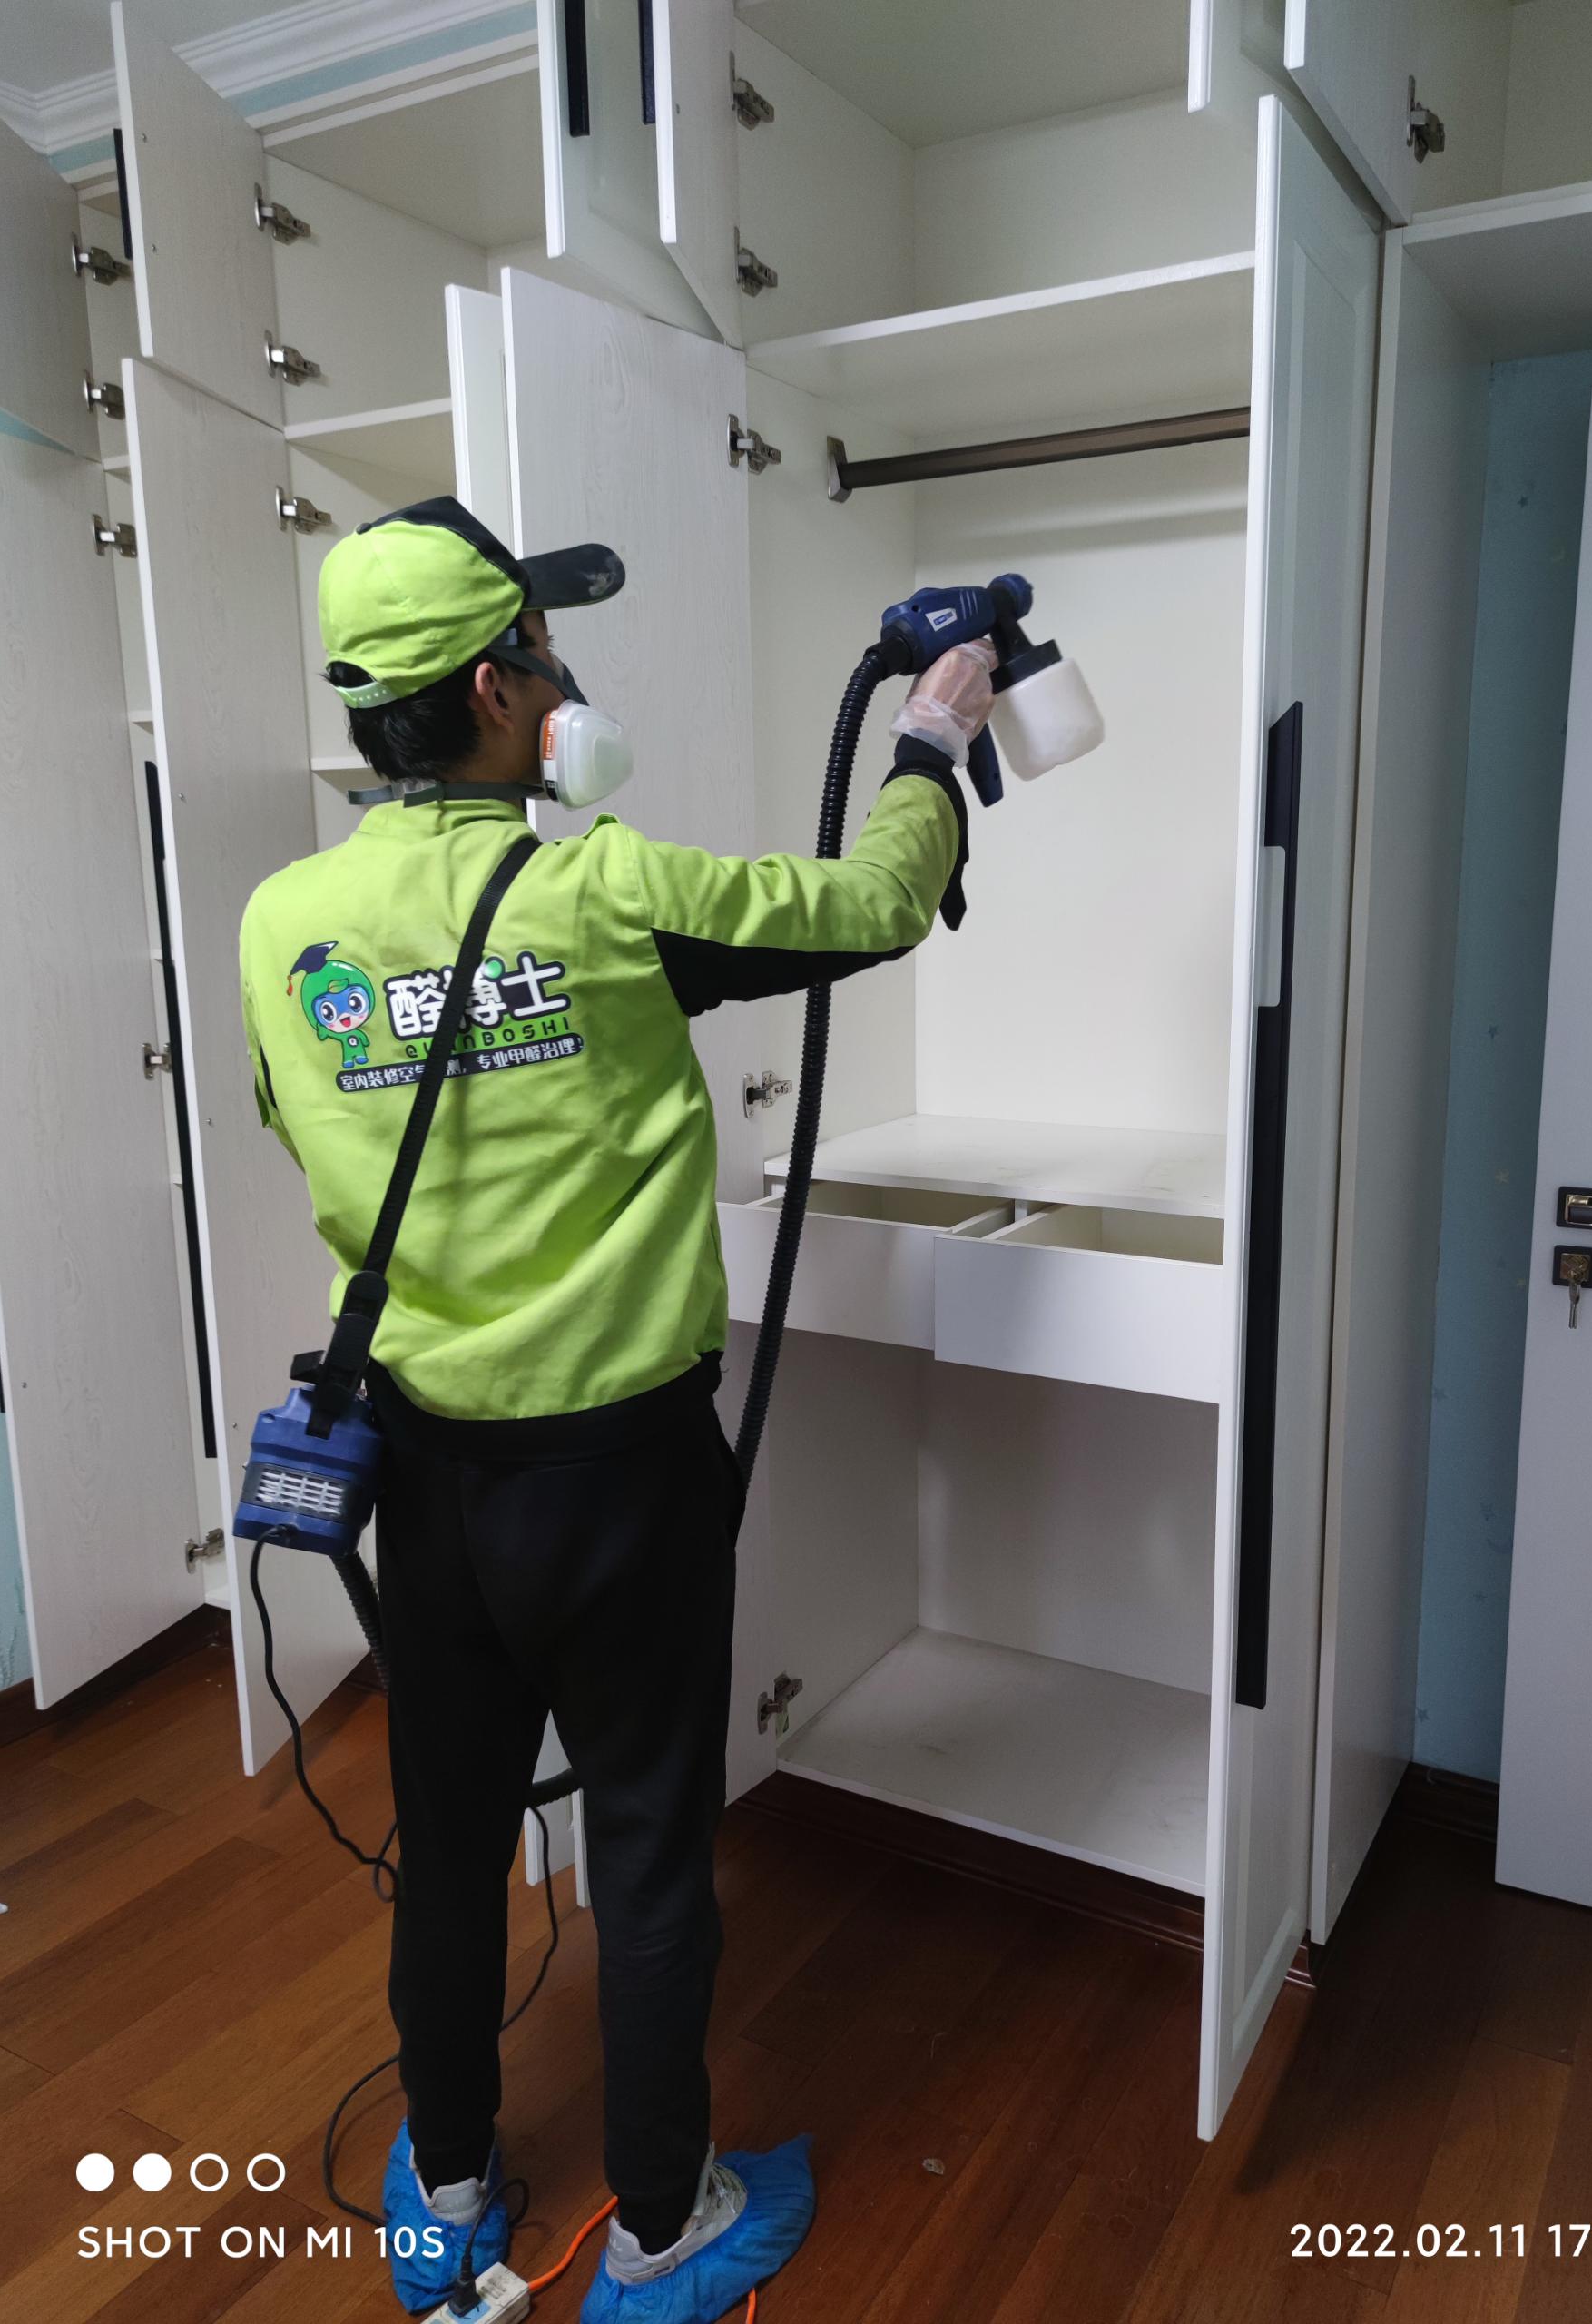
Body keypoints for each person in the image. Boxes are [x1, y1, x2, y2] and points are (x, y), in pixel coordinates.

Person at [236, 497, 994, 2323]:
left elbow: (292, 1117)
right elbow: (878, 904)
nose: (567, 683)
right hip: (621, 1474)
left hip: (427, 1476)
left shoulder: (282, 924)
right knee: (648, 1844)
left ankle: (445, 2184)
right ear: (499, 691)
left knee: (449, 1838)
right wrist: (930, 738)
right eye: (547, 656)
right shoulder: (608, 892)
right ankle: (661, 2228)